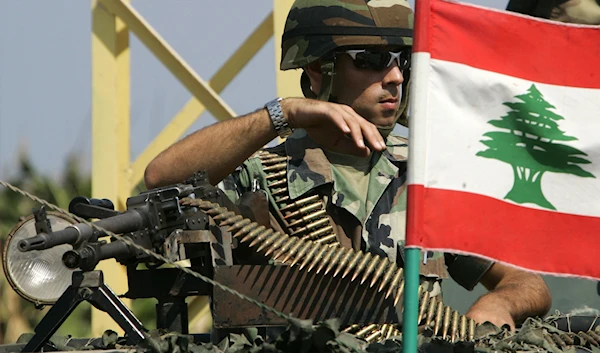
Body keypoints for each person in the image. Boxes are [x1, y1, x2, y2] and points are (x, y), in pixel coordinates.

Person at [145, 0, 551, 331]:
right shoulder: (263, 174)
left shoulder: (427, 177)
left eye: (401, 61)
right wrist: (283, 112)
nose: (394, 76)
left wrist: (499, 303)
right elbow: (161, 178)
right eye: (371, 59)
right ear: (319, 71)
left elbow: (528, 284)